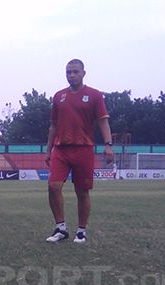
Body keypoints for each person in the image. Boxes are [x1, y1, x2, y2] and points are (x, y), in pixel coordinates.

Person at [45, 59, 113, 244]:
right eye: (68, 72)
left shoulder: (94, 95)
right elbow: (53, 125)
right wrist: (48, 150)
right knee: (53, 186)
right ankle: (61, 228)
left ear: (84, 73)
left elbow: (103, 121)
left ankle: (81, 231)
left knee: (82, 192)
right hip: (61, 149)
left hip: (83, 149)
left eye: (75, 72)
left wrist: (108, 144)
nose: (71, 75)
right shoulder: (58, 96)